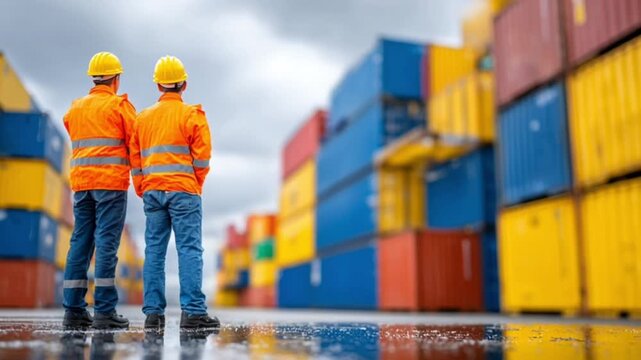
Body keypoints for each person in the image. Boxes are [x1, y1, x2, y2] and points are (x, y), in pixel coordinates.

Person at [130, 55, 218, 330]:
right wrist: (195, 183)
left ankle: (153, 316)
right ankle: (192, 313)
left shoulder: (142, 118)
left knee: (154, 250)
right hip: (184, 191)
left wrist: (142, 186)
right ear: (184, 84)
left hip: (153, 191)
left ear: (159, 86)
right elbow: (202, 159)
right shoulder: (192, 115)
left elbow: (135, 158)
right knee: (189, 249)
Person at [62, 51, 135, 329]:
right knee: (106, 244)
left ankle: (73, 310)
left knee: (79, 243)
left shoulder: (76, 107)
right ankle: (104, 310)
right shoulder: (120, 107)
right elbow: (134, 139)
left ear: (93, 79)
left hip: (81, 185)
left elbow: (70, 127)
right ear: (116, 79)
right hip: (111, 185)